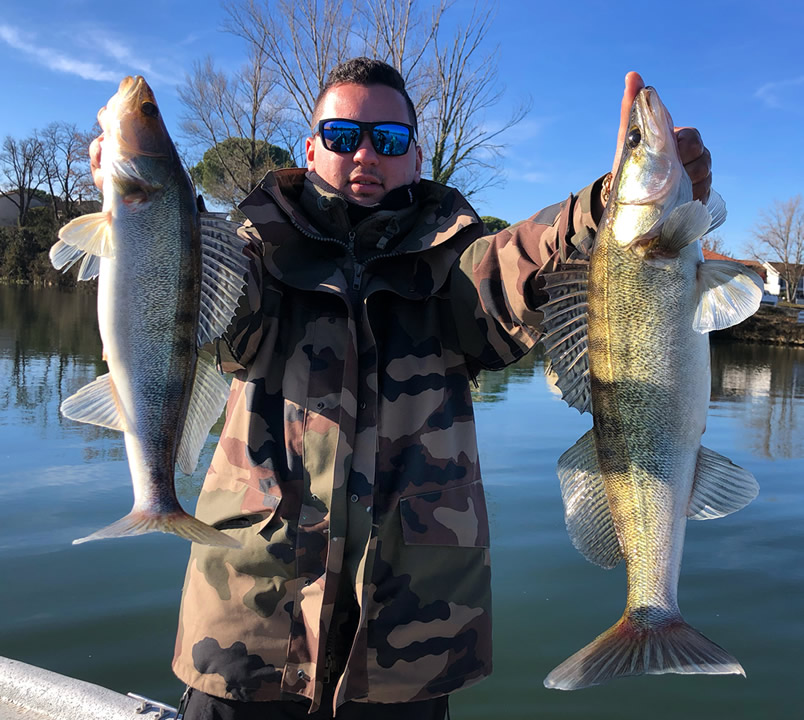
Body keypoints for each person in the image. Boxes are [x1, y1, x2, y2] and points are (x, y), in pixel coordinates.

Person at [90, 59, 710, 720]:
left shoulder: (456, 272)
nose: (365, 153)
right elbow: (193, 300)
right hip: (247, 633)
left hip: (410, 646)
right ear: (310, 148)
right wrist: (138, 204)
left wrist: (611, 203)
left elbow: (518, 266)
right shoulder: (251, 254)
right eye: (342, 135)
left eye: (387, 140)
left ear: (415, 156)